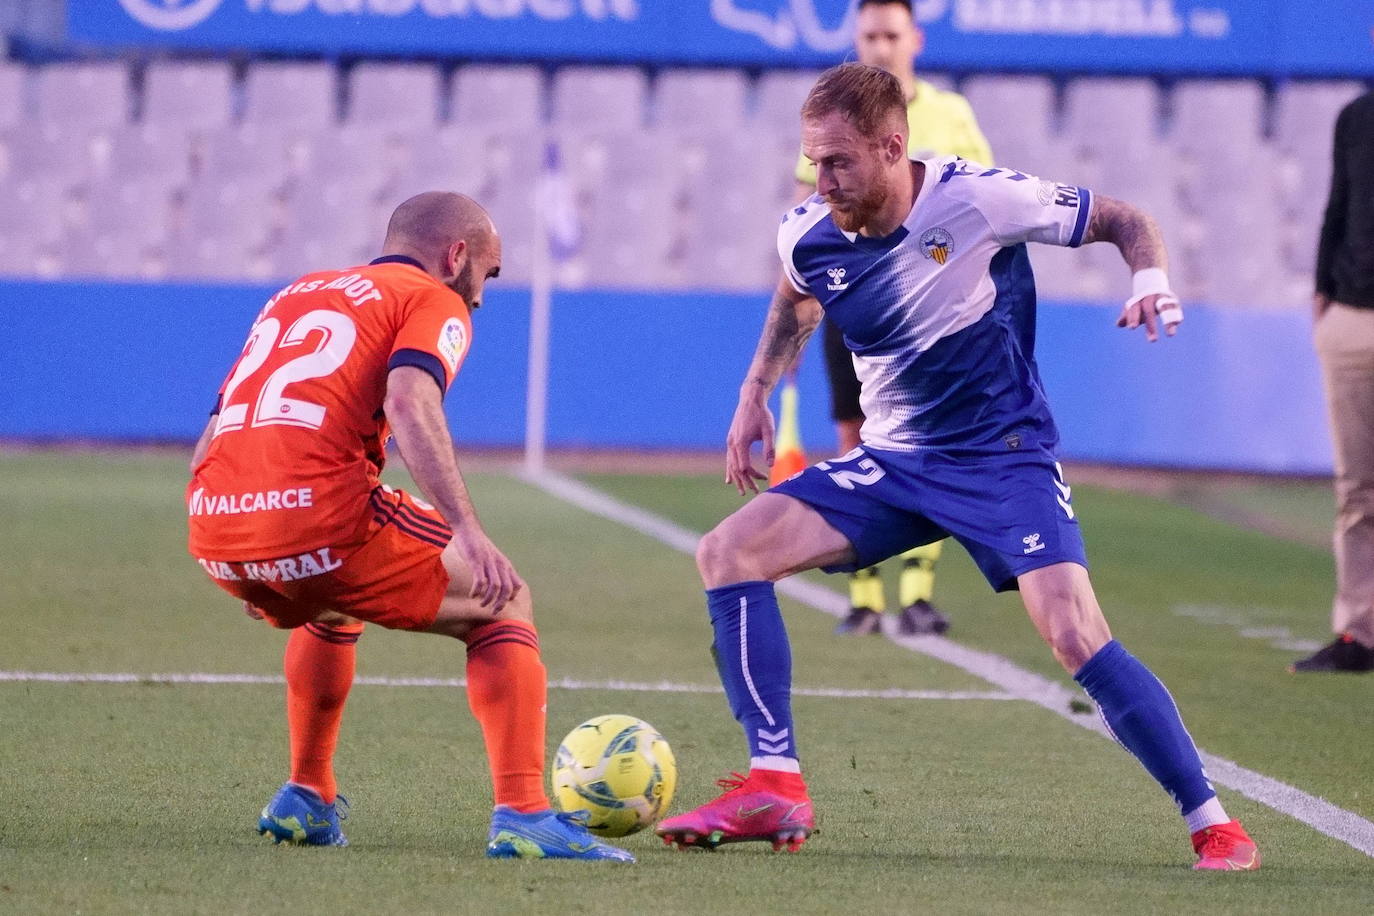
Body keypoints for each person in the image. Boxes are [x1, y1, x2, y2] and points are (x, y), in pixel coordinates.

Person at [656, 64, 1259, 871]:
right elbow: (798, 296)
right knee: (727, 553)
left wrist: (1149, 275)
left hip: (1001, 458)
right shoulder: (808, 229)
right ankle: (775, 784)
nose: (820, 179)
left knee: (1075, 632)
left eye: (837, 161)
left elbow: (1123, 217)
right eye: (812, 161)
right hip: (895, 462)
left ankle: (1214, 822)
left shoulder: (979, 200)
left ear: (891, 146)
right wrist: (754, 391)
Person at [186, 191, 633, 862]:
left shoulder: (294, 295)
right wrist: (469, 531)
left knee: (333, 603)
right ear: (457, 256)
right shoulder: (433, 299)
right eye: (488, 272)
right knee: (502, 598)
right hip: (315, 519)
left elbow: (217, 431)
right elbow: (410, 397)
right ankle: (523, 813)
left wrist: (253, 550)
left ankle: (306, 797)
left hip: (215, 525)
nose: (481, 296)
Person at [793, 0, 994, 638]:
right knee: (854, 437)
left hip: (932, 313)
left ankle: (915, 592)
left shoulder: (952, 115)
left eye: (890, 34)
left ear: (916, 39)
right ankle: (864, 595)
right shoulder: (834, 115)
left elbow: (985, 196)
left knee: (926, 441)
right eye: (869, 35)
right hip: (856, 304)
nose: (880, 46)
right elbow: (810, 207)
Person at [1292, 88, 1374, 674]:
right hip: (1351, 316)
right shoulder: (1357, 117)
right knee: (1357, 488)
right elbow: (1337, 207)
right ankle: (1360, 633)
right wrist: (1324, 296)